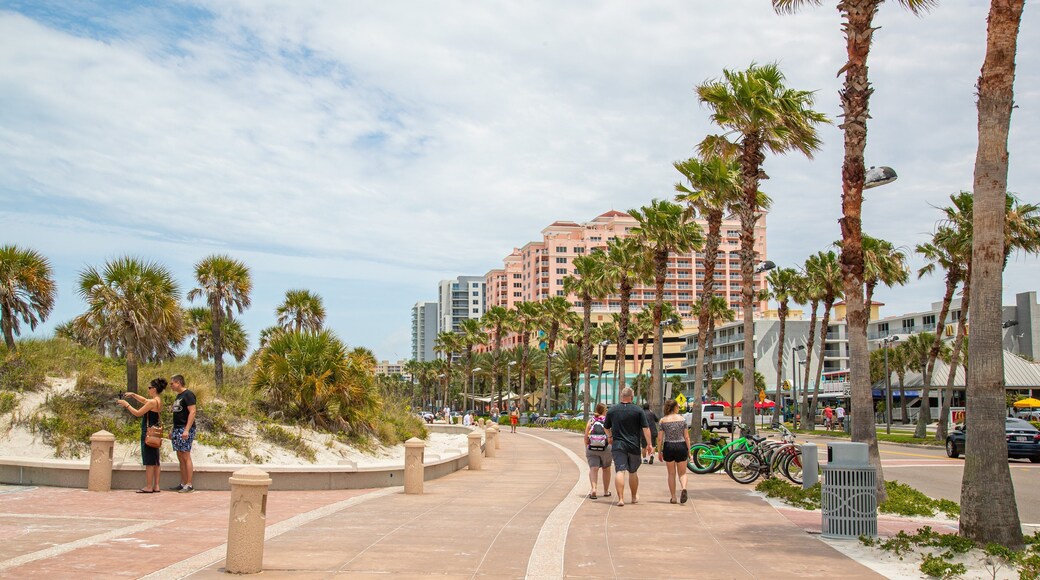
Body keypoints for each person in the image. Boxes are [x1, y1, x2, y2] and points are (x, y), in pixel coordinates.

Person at [604, 387, 652, 507]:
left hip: (618, 445)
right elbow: (646, 429)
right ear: (632, 396)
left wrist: (609, 437)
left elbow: (606, 427)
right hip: (633, 445)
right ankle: (634, 496)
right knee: (633, 471)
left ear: (621, 396)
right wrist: (650, 444)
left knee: (620, 470)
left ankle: (620, 499)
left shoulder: (612, 410)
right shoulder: (638, 410)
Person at [118, 377, 166, 493]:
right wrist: (133, 395)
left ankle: (149, 486)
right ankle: (156, 485)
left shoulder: (152, 402)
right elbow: (144, 400)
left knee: (149, 461)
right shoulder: (158, 400)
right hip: (156, 433)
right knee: (155, 460)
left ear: (154, 389)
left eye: (150, 388)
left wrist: (126, 405)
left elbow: (138, 413)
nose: (148, 390)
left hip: (148, 432)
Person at [657, 399, 690, 504]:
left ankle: (673, 497)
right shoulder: (682, 419)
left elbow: (660, 438)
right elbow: (686, 437)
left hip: (669, 446)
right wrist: (689, 450)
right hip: (681, 445)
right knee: (683, 473)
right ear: (675, 407)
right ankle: (684, 488)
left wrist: (659, 451)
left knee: (671, 473)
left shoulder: (663, 420)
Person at [169, 375, 196, 493]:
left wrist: (186, 430)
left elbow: (192, 412)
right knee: (180, 455)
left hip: (185, 429)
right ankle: (183, 482)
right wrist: (172, 429)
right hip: (177, 428)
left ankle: (189, 484)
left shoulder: (188, 394)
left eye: (172, 383)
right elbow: (177, 414)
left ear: (178, 382)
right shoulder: (178, 396)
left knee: (186, 455)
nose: (171, 386)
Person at [584, 403, 613, 500]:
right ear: (605, 410)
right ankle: (605, 491)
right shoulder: (607, 421)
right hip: (605, 447)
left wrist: (587, 447)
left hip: (591, 447)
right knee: (606, 469)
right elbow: (611, 434)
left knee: (593, 468)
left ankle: (594, 489)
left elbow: (585, 437)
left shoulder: (591, 420)